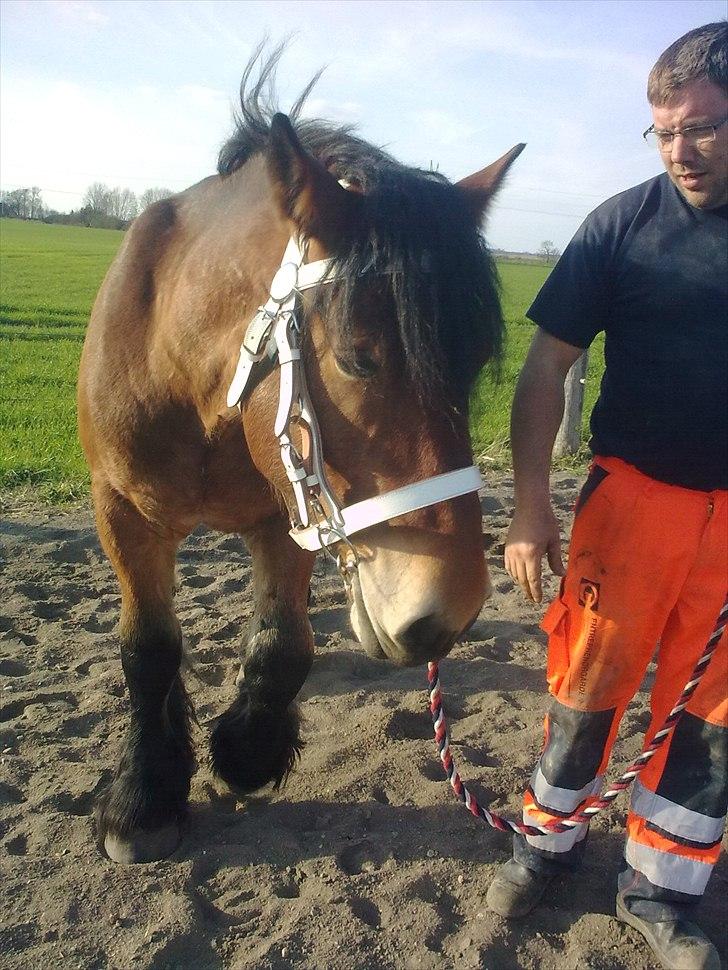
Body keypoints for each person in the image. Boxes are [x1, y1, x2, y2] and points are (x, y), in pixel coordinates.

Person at [486, 21, 727, 970]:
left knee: (711, 712)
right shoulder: (621, 224)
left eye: (702, 127)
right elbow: (547, 366)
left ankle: (661, 889)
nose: (681, 150)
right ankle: (543, 844)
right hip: (631, 506)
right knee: (586, 688)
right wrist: (530, 505)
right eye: (664, 132)